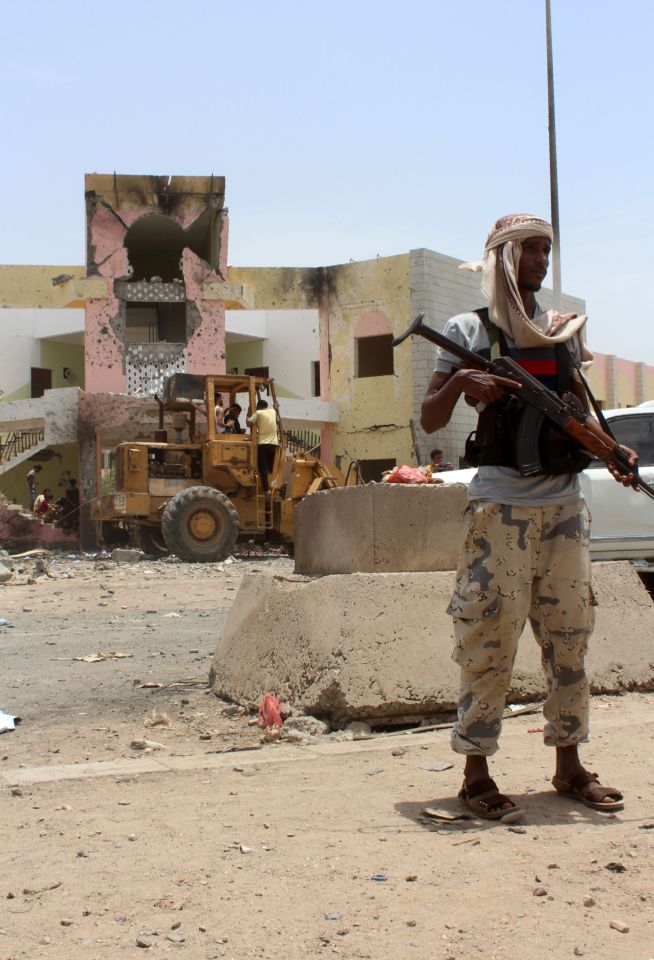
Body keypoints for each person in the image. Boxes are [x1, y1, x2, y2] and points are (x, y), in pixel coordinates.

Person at [420, 213, 633, 820]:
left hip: (565, 505)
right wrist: (462, 380)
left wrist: (611, 450)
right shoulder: (471, 328)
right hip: (502, 507)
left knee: (570, 637)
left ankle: (569, 766)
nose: (542, 259)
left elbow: (576, 409)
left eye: (547, 249)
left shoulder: (562, 331)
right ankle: (476, 773)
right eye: (531, 250)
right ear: (504, 257)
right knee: (488, 638)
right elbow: (432, 418)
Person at [248, 398, 280, 492]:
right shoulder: (273, 411)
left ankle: (266, 489)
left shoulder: (258, 413)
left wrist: (248, 414)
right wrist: (276, 407)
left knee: (263, 468)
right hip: (274, 444)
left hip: (263, 444)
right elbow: (277, 420)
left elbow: (249, 423)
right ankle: (271, 485)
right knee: (270, 468)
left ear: (258, 407)